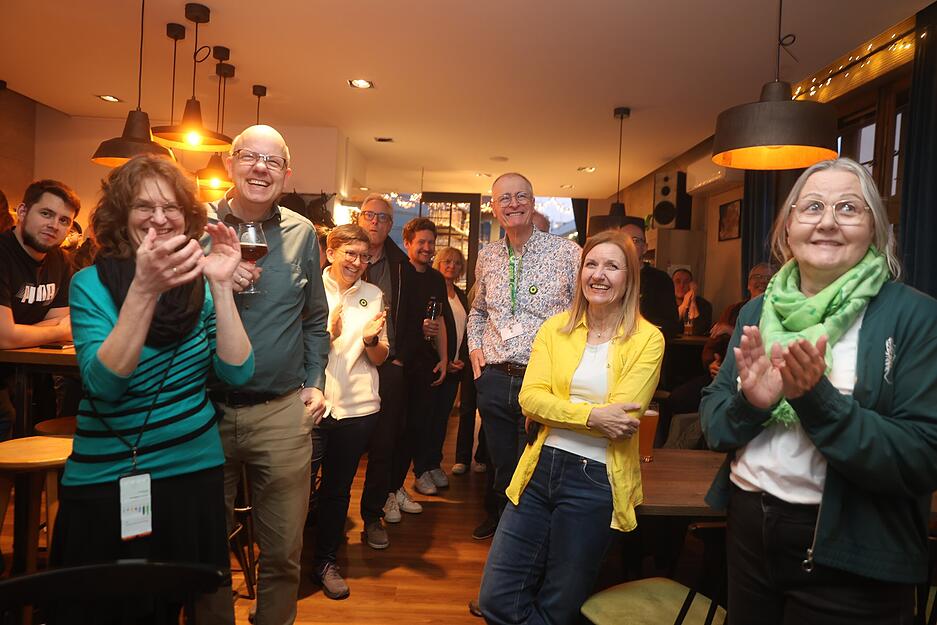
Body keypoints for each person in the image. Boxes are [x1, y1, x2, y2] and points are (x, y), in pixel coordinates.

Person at [700, 157, 937, 625]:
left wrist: (815, 399)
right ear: (788, 228)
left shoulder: (914, 317)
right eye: (811, 207)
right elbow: (713, 422)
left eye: (848, 208)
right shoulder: (755, 312)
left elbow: (923, 457)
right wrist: (751, 404)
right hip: (749, 532)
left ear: (875, 228)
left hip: (856, 552)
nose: (827, 222)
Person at [50, 155, 253, 623]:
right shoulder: (89, 286)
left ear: (188, 216)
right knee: (102, 609)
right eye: (144, 206)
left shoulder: (199, 283)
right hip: (108, 475)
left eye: (172, 207)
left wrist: (221, 287)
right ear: (120, 216)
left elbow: (238, 372)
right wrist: (144, 289)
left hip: (193, 473)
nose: (160, 218)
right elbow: (104, 386)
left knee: (178, 605)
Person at [478, 229, 665, 624]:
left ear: (629, 277)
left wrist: (559, 409)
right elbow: (530, 398)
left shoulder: (648, 339)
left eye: (612, 266)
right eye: (591, 264)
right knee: (497, 598)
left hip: (596, 481)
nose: (599, 274)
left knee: (559, 604)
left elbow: (625, 419)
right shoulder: (555, 329)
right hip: (538, 468)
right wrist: (593, 416)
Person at [207, 125, 330, 625]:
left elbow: (316, 319)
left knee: (282, 552)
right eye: (250, 157)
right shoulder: (197, 223)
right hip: (202, 411)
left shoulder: (302, 234)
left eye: (272, 161)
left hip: (280, 412)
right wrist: (209, 278)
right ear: (230, 164)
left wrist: (315, 380)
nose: (261, 168)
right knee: (204, 550)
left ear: (286, 173)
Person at [467, 172, 581, 540]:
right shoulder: (487, 256)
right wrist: (474, 350)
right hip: (496, 377)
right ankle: (503, 527)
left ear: (533, 203)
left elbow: (585, 313)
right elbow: (479, 311)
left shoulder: (567, 254)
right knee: (502, 463)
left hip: (544, 379)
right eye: (505, 198)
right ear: (495, 208)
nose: (513, 204)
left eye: (521, 196)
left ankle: (531, 535)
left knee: (536, 461)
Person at [311, 224, 388, 600]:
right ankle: (289, 560)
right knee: (298, 489)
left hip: (358, 408)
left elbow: (380, 356)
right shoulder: (309, 287)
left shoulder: (373, 295)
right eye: (351, 254)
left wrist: (372, 339)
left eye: (365, 256)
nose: (358, 262)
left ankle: (325, 560)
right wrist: (328, 330)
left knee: (337, 490)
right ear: (330, 251)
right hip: (310, 404)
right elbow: (292, 349)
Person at [356, 193, 423, 550]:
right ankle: (325, 515)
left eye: (383, 218)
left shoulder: (401, 265)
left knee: (384, 446)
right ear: (359, 217)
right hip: (346, 366)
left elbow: (413, 320)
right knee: (342, 445)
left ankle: (371, 516)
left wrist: (400, 359)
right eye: (370, 215)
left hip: (388, 367)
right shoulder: (343, 254)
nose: (376, 222)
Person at [396, 217, 450, 496]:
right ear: (408, 243)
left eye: (431, 242)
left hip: (426, 362)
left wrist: (443, 358)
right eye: (422, 242)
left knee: (423, 421)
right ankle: (396, 486)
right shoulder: (398, 274)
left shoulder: (436, 278)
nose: (428, 248)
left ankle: (421, 472)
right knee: (400, 428)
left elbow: (438, 320)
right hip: (400, 362)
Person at [0, 179, 79, 350]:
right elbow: (3, 338)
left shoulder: (61, 260)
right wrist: (59, 332)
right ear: (22, 212)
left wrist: (15, 333)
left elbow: (60, 320)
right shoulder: (3, 254)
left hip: (35, 370)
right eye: (46, 214)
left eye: (64, 220)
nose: (54, 225)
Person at [427, 247, 473, 477]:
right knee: (429, 419)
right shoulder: (430, 291)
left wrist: (461, 360)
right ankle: (424, 467)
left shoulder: (461, 295)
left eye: (456, 263)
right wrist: (442, 358)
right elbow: (430, 331)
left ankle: (434, 464)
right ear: (438, 262)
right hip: (434, 366)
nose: (451, 266)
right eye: (447, 261)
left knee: (442, 420)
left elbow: (466, 332)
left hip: (456, 367)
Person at [618, 216, 681, 338]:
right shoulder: (608, 276)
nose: (628, 245)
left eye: (635, 240)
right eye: (623, 240)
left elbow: (672, 325)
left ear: (645, 248)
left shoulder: (660, 280)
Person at [672, 268, 711, 336]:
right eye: (677, 281)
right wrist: (684, 304)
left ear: (691, 285)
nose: (681, 286)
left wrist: (693, 300)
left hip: (695, 345)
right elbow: (671, 327)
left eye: (686, 282)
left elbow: (700, 330)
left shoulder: (704, 305)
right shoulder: (665, 303)